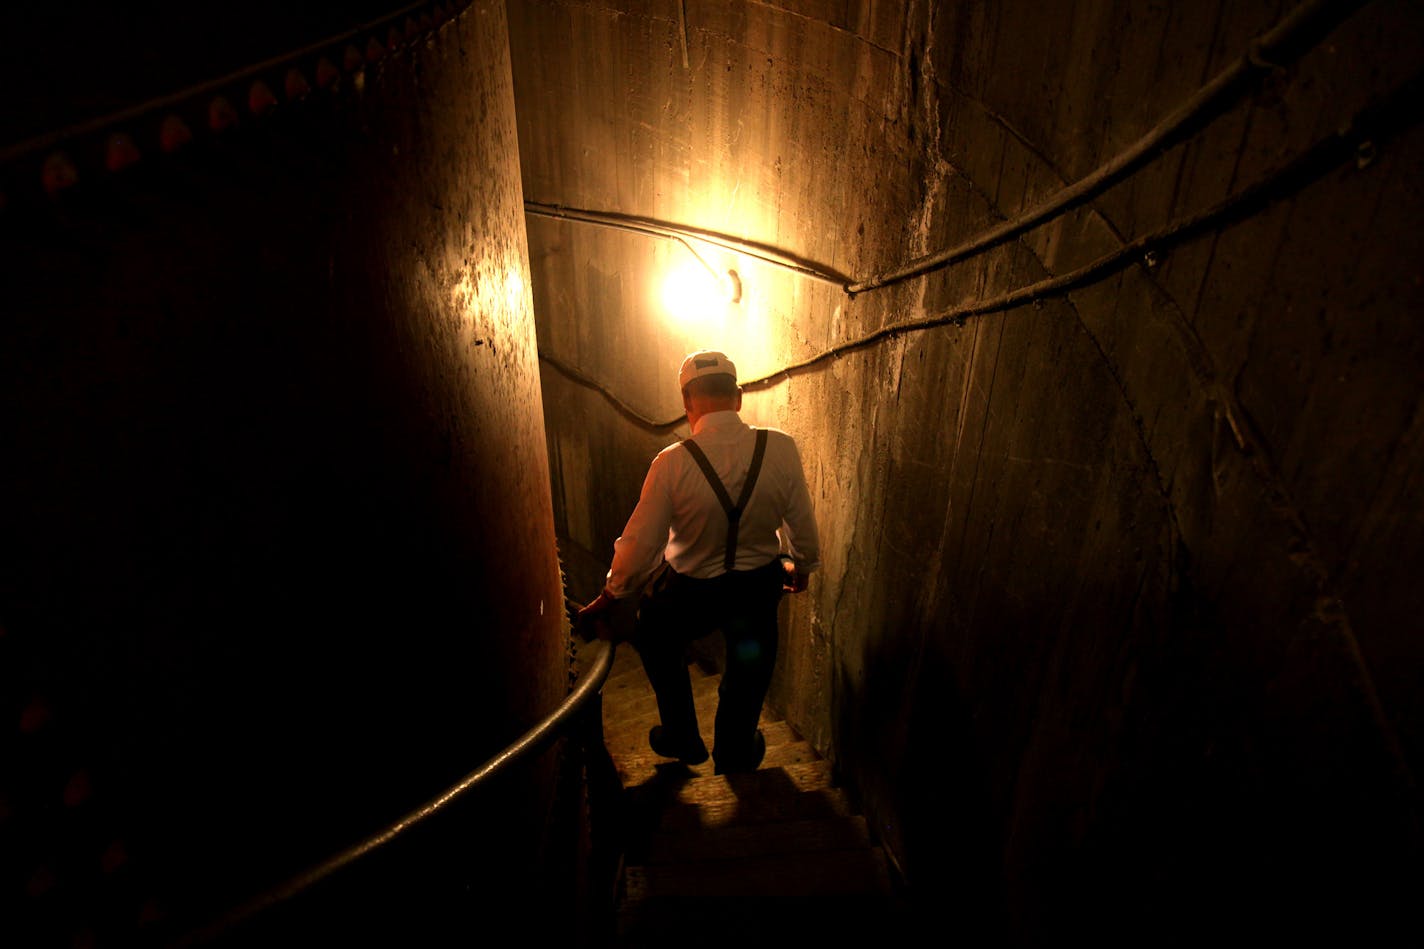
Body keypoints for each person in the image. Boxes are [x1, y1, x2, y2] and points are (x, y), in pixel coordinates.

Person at [577, 350, 820, 774]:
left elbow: (640, 546)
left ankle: (682, 735)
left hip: (692, 594)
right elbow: (801, 520)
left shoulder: (672, 463)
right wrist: (802, 565)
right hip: (756, 587)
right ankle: (736, 749)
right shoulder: (780, 448)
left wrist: (612, 592)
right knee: (749, 666)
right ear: (739, 397)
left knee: (654, 634)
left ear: (688, 404)